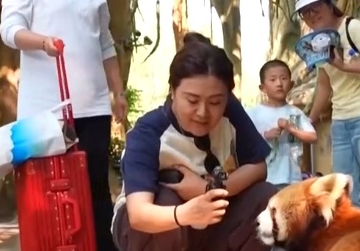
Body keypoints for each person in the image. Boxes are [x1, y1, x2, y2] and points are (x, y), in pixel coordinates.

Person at [0, 0, 124, 251]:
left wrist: (117, 92)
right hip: (44, 112)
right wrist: (43, 42)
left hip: (93, 107)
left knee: (96, 185)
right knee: (47, 188)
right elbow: (10, 31)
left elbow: (105, 44)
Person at [112, 37, 277, 251]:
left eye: (216, 102)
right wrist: (186, 213)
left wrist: (210, 188)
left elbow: (258, 167)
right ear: (173, 91)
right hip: (158, 224)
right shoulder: (148, 132)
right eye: (192, 100)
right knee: (164, 201)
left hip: (212, 223)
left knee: (265, 198)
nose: (203, 112)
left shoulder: (231, 113)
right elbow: (139, 214)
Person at [298, 0, 360, 228]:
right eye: (305, 13)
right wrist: (309, 119)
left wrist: (346, 66)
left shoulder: (353, 28)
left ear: (330, 5)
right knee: (345, 190)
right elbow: (324, 86)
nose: (311, 15)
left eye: (316, 8)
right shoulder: (317, 43)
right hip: (341, 121)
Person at [246, 60, 316, 188]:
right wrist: (265, 135)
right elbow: (243, 142)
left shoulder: (295, 112)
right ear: (263, 88)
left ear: (291, 84)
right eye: (273, 80)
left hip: (292, 177)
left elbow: (312, 137)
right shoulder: (253, 113)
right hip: (264, 178)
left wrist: (292, 129)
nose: (279, 84)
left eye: (283, 79)